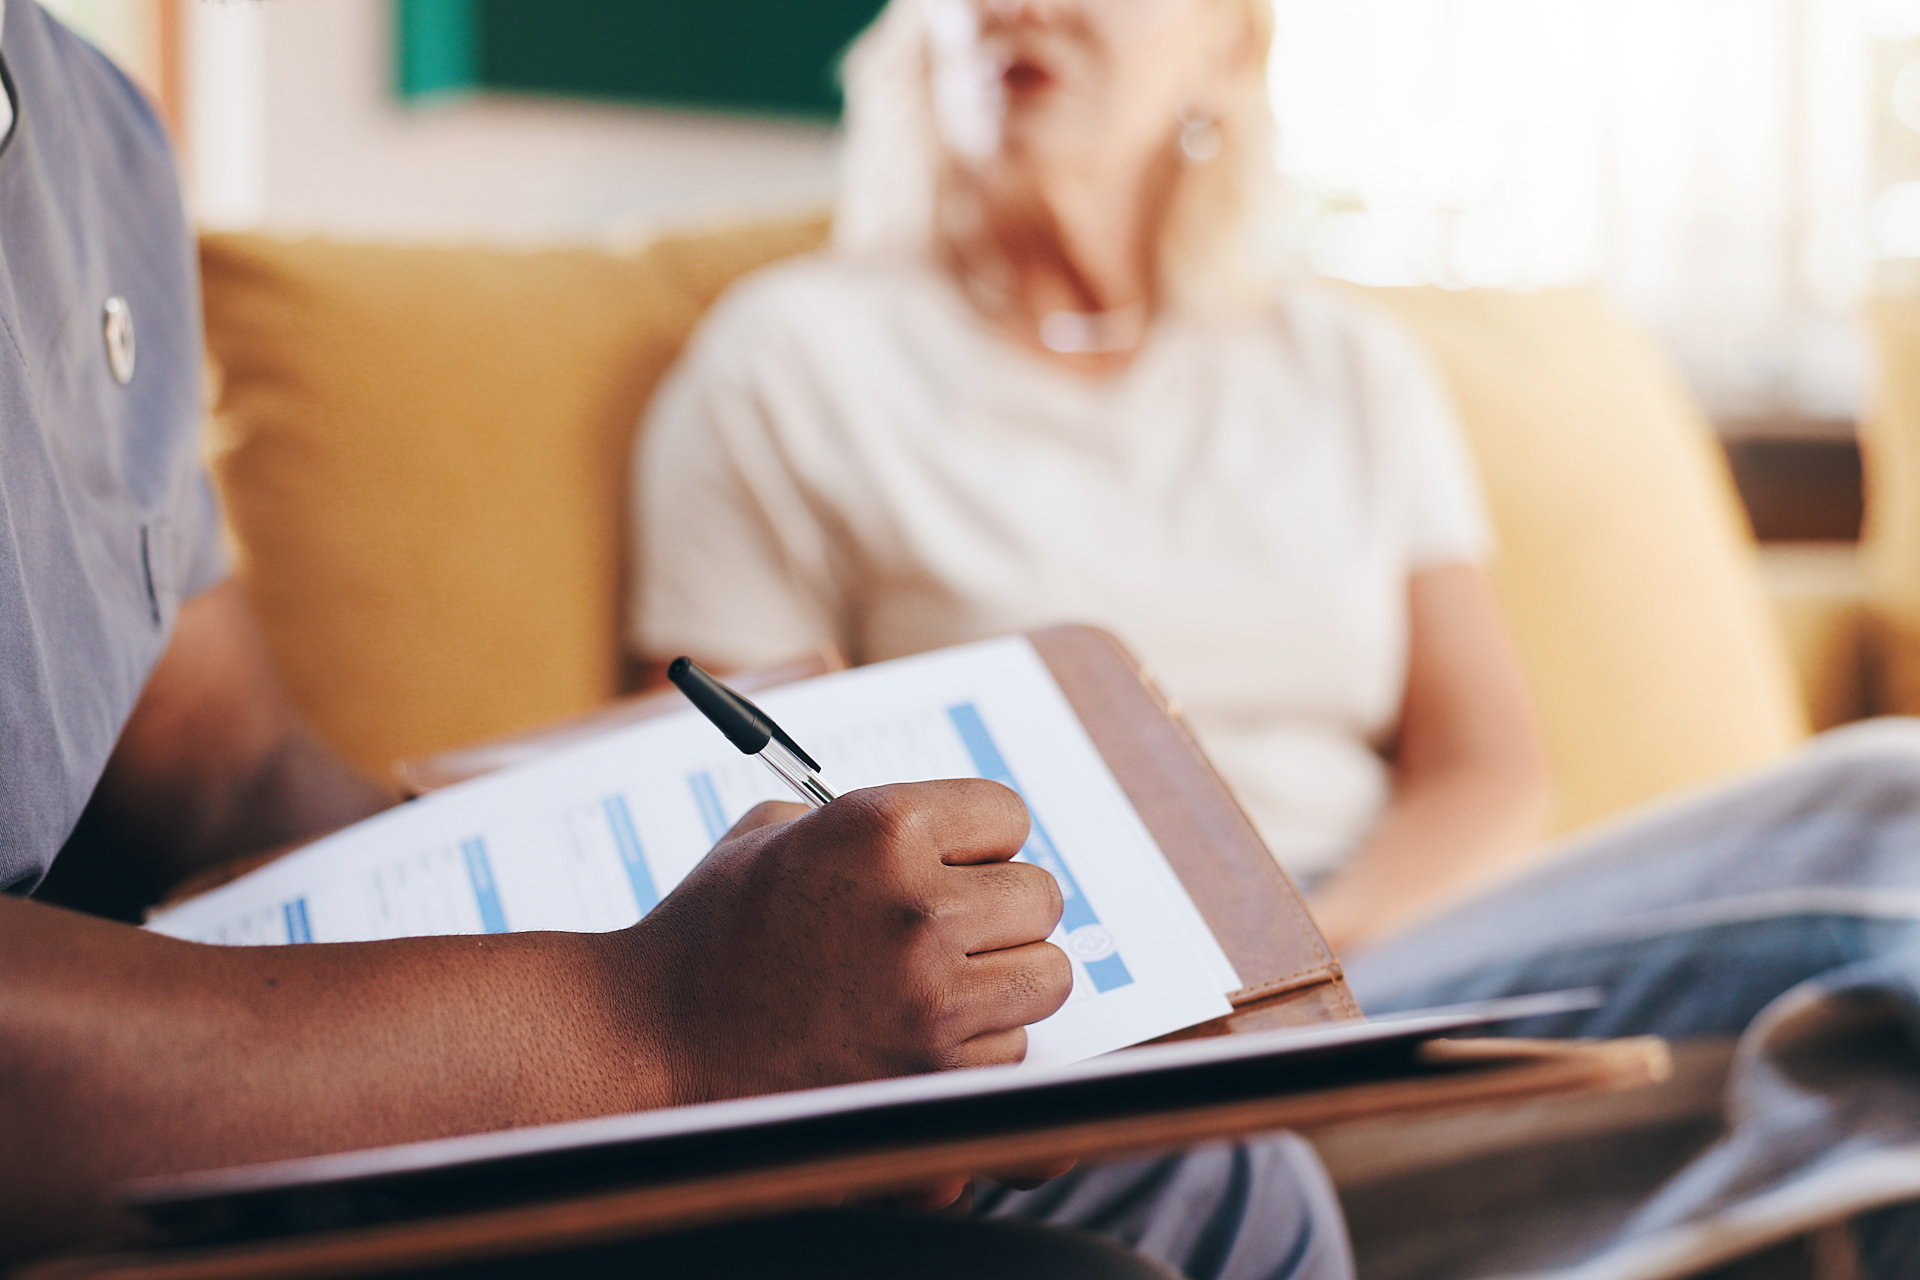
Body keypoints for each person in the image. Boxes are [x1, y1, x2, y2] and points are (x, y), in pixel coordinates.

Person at [0, 5, 1350, 1277]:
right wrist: (661, 1012)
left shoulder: (100, 140)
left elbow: (227, 774)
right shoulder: (803, 357)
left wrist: (617, 919)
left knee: (1232, 1182)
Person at [631, 0, 1920, 1274]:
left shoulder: (1348, 368)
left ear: (1226, 45)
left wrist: (1314, 953)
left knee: (1889, 857)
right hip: (1086, 1019)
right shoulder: (788, 362)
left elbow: (1485, 763)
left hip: (1385, 949)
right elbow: (733, 834)